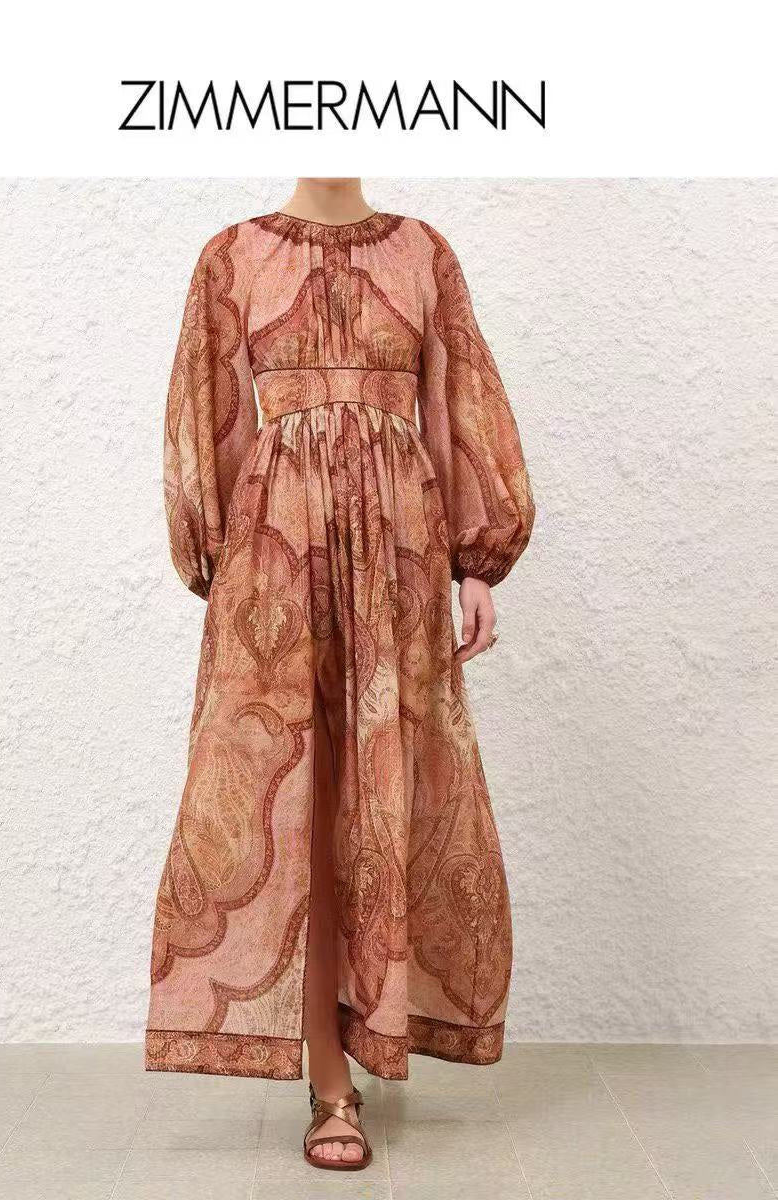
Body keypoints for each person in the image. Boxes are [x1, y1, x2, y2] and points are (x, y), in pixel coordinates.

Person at [146, 178, 535, 1170]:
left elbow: (460, 404)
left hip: (398, 565)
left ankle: (374, 1029)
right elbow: (206, 423)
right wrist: (221, 568)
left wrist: (477, 565)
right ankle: (330, 1085)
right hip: (275, 565)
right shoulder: (231, 257)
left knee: (383, 797)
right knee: (301, 814)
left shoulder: (424, 253)